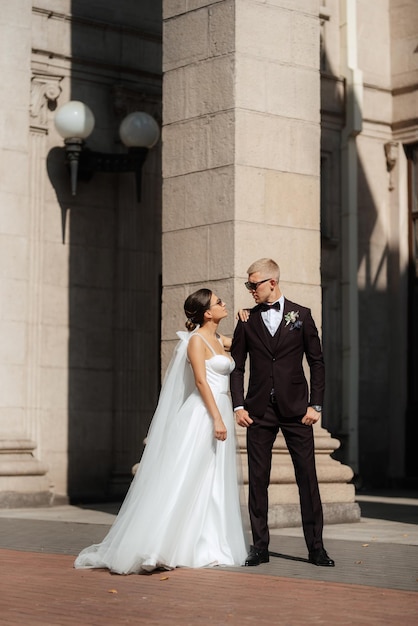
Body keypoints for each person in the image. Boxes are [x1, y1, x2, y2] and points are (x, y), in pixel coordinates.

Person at [75, 289, 248, 574]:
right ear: (206, 312)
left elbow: (242, 343)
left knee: (212, 479)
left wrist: (246, 319)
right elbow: (202, 383)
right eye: (219, 302)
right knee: (184, 476)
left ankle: (207, 545)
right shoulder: (195, 341)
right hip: (202, 415)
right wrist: (217, 418)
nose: (224, 304)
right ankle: (158, 547)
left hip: (220, 410)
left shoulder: (219, 340)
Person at [230, 258, 335, 567]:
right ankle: (259, 547)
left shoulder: (301, 316)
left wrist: (316, 405)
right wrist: (238, 405)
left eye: (254, 284)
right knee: (258, 480)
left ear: (272, 283)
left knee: (308, 478)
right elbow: (237, 367)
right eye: (248, 285)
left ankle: (316, 548)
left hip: (297, 410)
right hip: (258, 411)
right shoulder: (246, 320)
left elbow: (317, 362)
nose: (250, 290)